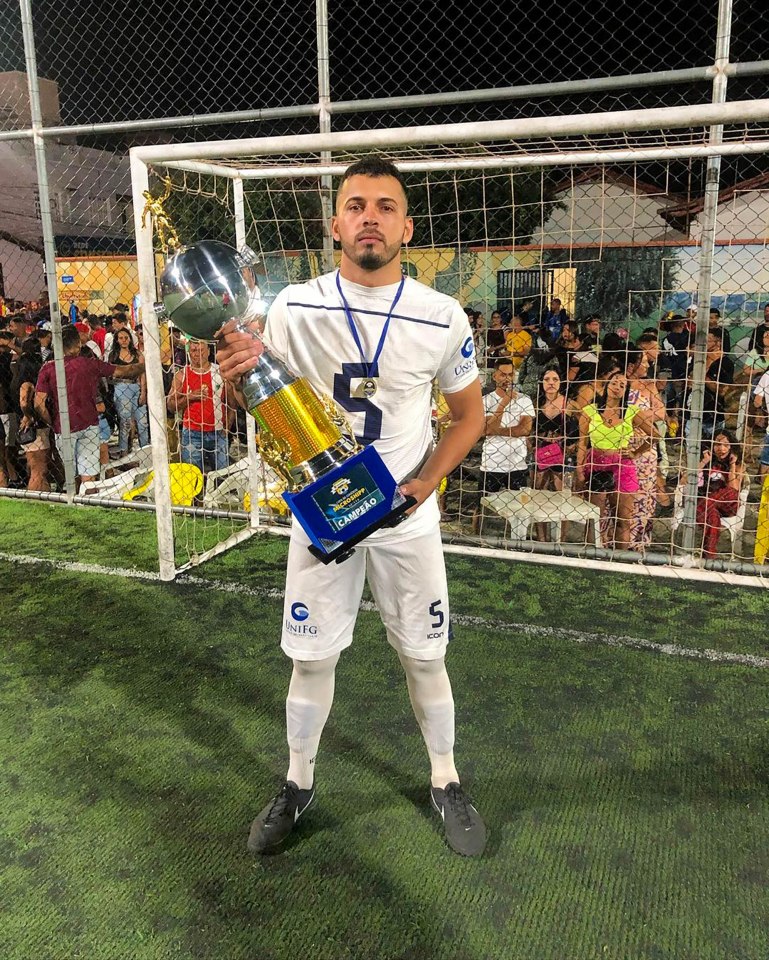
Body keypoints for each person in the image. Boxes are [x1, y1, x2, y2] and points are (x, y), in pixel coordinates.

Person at [215, 156, 487, 857]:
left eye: (386, 206)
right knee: (311, 661)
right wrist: (231, 380)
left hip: (404, 519)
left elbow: (466, 417)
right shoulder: (290, 307)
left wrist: (422, 485)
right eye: (356, 204)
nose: (370, 215)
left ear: (407, 226)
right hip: (323, 516)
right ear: (334, 223)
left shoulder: (441, 314)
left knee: (424, 658)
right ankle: (298, 784)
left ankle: (446, 780)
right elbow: (251, 404)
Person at [34, 324, 144, 485]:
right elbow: (124, 371)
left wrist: (52, 422)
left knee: (71, 472)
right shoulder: (89, 364)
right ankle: (88, 497)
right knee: (89, 473)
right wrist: (147, 364)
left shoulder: (49, 368)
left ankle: (75, 498)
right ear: (78, 344)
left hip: (63, 424)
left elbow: (39, 404)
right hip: (89, 422)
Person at [576, 370, 655, 550]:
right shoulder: (590, 411)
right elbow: (582, 443)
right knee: (593, 518)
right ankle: (591, 557)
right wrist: (579, 469)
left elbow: (655, 436)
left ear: (626, 391)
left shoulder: (632, 412)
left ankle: (620, 561)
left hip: (622, 466)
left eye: (622, 385)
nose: (617, 387)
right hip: (596, 464)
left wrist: (636, 452)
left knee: (622, 520)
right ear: (606, 385)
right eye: (614, 383)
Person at [473, 357, 534, 533]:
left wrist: (494, 428)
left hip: (517, 463)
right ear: (495, 376)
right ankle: (478, 540)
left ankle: (517, 543)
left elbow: (524, 430)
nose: (507, 378)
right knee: (482, 506)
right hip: (492, 461)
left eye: (510, 374)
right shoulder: (485, 401)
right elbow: (484, 430)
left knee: (520, 510)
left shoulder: (524, 400)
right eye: (503, 375)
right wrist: (503, 404)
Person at [167, 338, 234, 473]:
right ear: (189, 353)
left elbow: (232, 402)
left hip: (218, 431)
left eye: (201, 350)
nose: (197, 353)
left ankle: (218, 493)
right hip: (192, 433)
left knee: (223, 475)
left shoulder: (220, 373)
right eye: (193, 350)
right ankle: (197, 494)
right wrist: (189, 397)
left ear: (209, 351)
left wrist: (228, 425)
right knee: (193, 476)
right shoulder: (182, 375)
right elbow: (170, 405)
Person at [532, 366, 579, 541]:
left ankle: (562, 538)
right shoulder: (536, 404)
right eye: (547, 380)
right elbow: (530, 430)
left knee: (564, 498)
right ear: (541, 383)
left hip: (563, 455)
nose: (551, 383)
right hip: (541, 454)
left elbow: (583, 430)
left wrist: (571, 446)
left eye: (555, 379)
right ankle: (542, 537)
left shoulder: (570, 404)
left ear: (561, 383)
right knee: (538, 496)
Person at [694, 430, 744, 558]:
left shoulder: (738, 465)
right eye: (717, 444)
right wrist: (704, 462)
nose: (721, 448)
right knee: (713, 518)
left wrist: (732, 466)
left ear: (732, 447)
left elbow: (734, 489)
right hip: (709, 507)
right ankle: (709, 556)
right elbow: (685, 481)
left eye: (726, 445)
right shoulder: (706, 461)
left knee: (730, 492)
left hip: (727, 505)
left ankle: (705, 504)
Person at [14, 337, 49, 491]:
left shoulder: (17, 377)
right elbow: (24, 401)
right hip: (34, 426)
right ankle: (35, 499)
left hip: (29, 425)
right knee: (38, 470)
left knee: (37, 468)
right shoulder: (28, 382)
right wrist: (29, 415)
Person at [108, 328, 149, 455]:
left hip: (135, 386)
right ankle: (124, 451)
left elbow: (142, 374)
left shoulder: (137, 354)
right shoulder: (114, 355)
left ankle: (145, 451)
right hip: (121, 387)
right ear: (116, 340)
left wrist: (143, 392)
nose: (124, 340)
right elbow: (110, 373)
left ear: (130, 338)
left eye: (126, 337)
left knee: (142, 422)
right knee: (124, 421)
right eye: (121, 338)